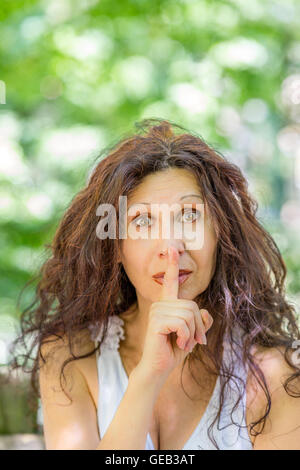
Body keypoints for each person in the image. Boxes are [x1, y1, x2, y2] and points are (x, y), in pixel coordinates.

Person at [8, 118, 300, 450]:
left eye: (190, 215)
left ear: (222, 234)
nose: (171, 246)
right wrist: (148, 376)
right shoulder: (68, 358)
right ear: (115, 246)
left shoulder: (274, 376)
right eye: (143, 221)